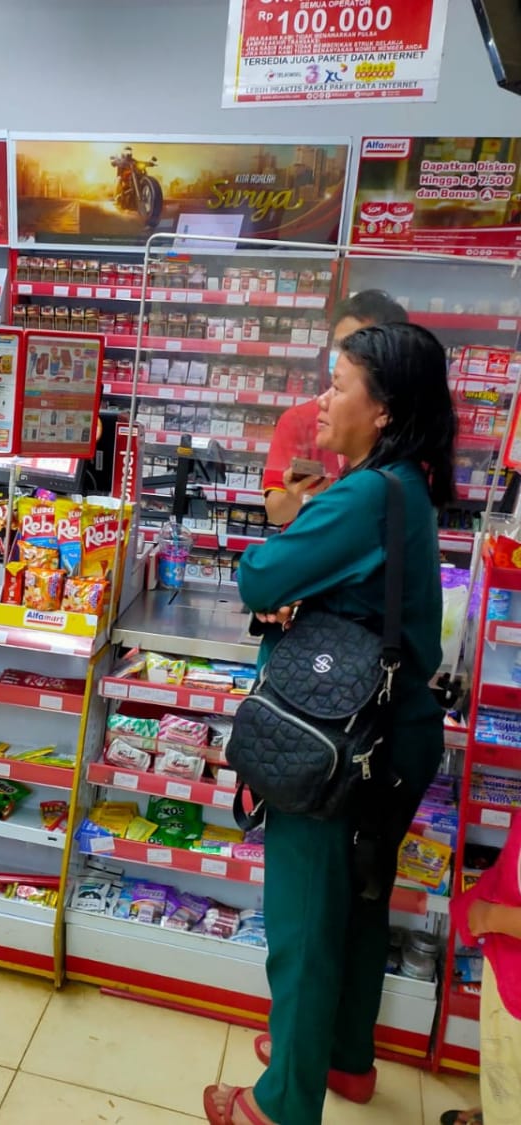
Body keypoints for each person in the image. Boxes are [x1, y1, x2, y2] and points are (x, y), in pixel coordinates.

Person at [204, 323, 456, 1124]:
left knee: (307, 916)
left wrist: (299, 518)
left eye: (338, 383)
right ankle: (343, 1056)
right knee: (360, 900)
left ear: (383, 409)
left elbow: (259, 575)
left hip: (343, 741)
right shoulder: (407, 485)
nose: (322, 399)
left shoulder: (360, 494)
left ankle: (282, 1101)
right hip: (399, 729)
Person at [262, 289, 409, 527]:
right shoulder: (299, 420)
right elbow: (275, 515)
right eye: (339, 345)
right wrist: (294, 498)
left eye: (357, 347)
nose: (343, 356)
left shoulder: (407, 432)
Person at [444, 810, 521, 1123]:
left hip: (514, 986)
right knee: (503, 1074)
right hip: (505, 965)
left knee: (508, 1076)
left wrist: (488, 917)